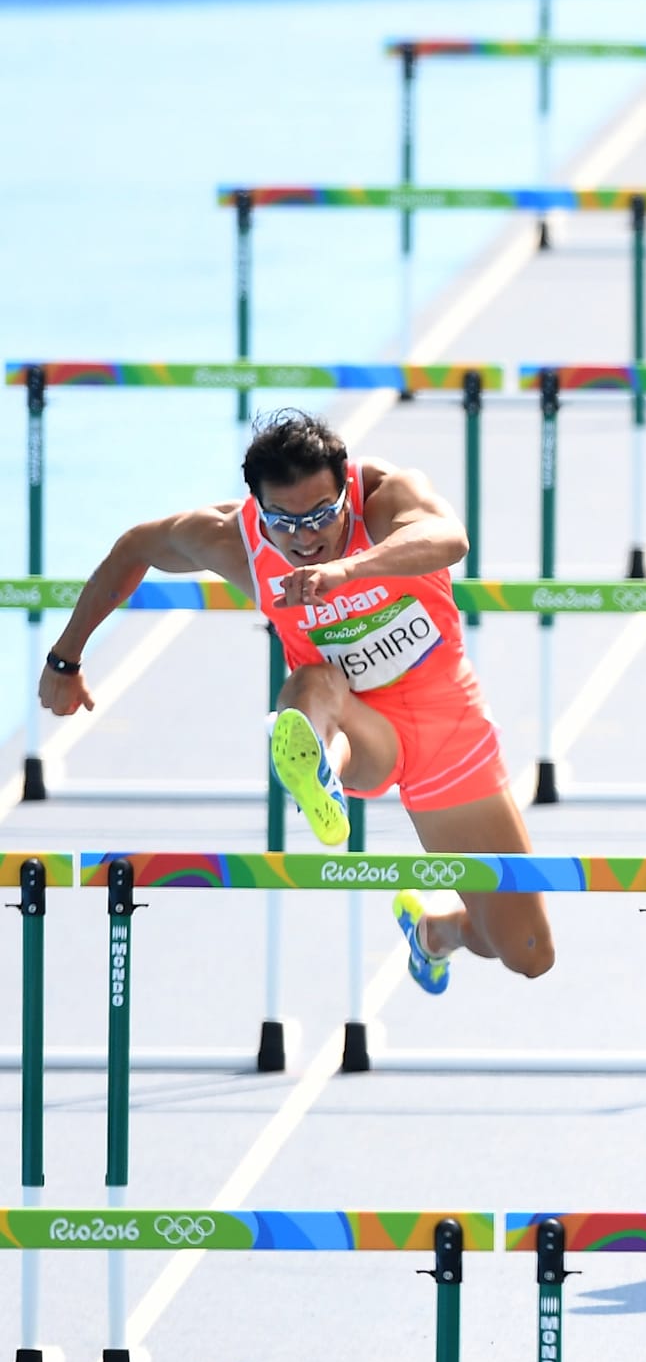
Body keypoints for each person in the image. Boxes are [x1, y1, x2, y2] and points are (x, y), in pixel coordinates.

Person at [37, 409, 551, 993]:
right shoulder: (235, 540)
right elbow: (138, 547)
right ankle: (318, 771)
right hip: (359, 728)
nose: (306, 536)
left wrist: (349, 568)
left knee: (527, 951)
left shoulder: (384, 497)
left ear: (346, 487)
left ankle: (437, 932)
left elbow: (447, 538)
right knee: (313, 682)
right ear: (257, 506)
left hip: (446, 728)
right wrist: (65, 658)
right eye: (285, 521)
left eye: (322, 515)